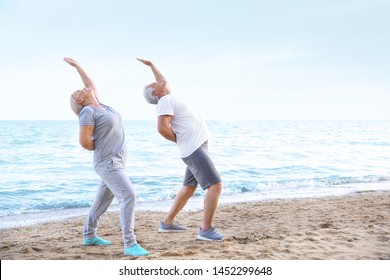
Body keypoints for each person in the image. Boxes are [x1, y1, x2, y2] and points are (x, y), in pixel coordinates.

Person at [64, 57, 149, 256]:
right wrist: (102, 147)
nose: (83, 88)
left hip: (117, 161)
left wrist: (77, 66)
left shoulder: (102, 106)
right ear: (79, 100)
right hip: (108, 162)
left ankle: (89, 234)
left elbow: (90, 84)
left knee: (102, 201)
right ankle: (130, 244)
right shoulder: (87, 112)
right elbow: (84, 142)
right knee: (129, 196)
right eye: (79, 91)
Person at [137, 58, 223, 241]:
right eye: (156, 83)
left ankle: (167, 223)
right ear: (155, 91)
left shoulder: (169, 97)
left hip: (196, 146)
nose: (160, 82)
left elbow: (164, 81)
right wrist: (179, 139)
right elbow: (162, 128)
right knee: (215, 185)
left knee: (189, 187)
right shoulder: (165, 101)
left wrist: (152, 66)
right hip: (192, 148)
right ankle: (205, 230)